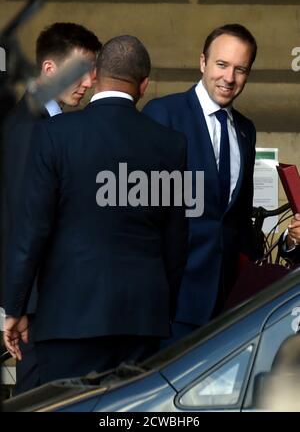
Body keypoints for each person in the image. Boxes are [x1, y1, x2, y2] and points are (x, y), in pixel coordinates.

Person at [3, 35, 188, 385]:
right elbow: (177, 241)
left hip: (68, 318)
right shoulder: (172, 146)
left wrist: (15, 307)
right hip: (142, 320)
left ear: (96, 75)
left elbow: (33, 230)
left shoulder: (55, 134)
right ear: (144, 85)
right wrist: (160, 306)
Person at [2, 22, 102, 394]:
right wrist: (21, 306)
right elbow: (20, 221)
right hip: (39, 308)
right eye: (82, 71)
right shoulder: (30, 127)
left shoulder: (46, 123)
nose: (89, 82)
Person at [143, 23, 257, 339]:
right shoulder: (164, 114)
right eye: (221, 65)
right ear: (203, 62)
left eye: (240, 69)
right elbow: (143, 213)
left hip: (229, 304)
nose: (229, 78)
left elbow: (238, 217)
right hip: (173, 302)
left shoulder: (246, 130)